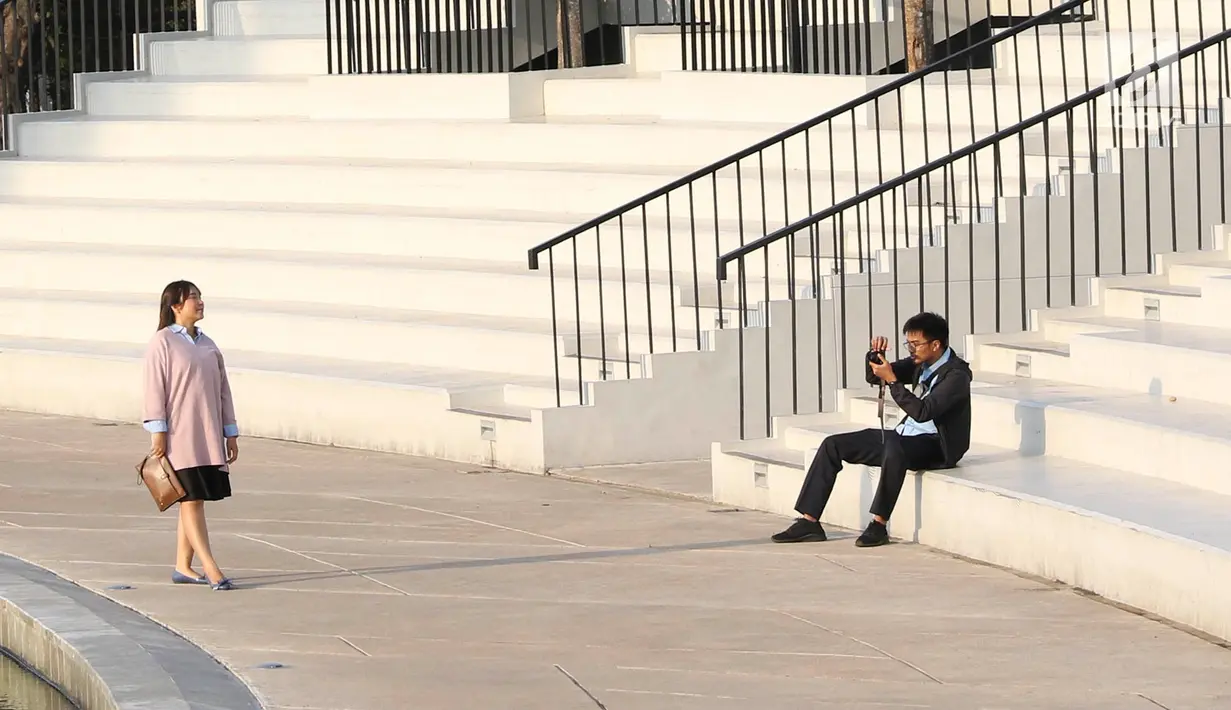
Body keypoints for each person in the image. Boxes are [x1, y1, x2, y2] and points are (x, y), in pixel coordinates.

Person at [772, 312, 971, 547]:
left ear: (936, 344)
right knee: (833, 445)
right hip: (905, 436)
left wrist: (895, 382)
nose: (911, 350)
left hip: (937, 446)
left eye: (915, 344)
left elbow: (923, 412)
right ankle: (809, 521)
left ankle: (878, 524)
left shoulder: (957, 375)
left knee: (895, 449)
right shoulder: (920, 363)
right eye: (908, 344)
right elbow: (876, 378)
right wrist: (876, 358)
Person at [143, 280, 240, 591]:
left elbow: (224, 391)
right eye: (192, 297)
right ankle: (211, 568)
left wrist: (230, 432)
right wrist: (158, 432)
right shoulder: (163, 342)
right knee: (192, 499)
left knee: (193, 499)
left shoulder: (209, 344)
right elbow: (154, 389)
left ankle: (183, 566)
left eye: (199, 296)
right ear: (175, 306)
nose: (199, 302)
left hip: (208, 436)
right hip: (180, 438)